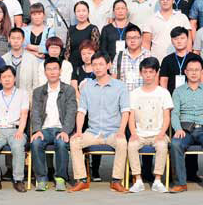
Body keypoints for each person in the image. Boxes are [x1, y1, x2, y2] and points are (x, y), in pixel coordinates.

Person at [68, 54, 131, 193]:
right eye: (94, 65)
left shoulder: (120, 86)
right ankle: (82, 180)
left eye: (101, 64)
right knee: (75, 141)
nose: (97, 67)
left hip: (113, 131)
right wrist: (79, 131)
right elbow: (81, 111)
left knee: (122, 143)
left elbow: (125, 111)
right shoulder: (87, 87)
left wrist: (121, 131)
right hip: (93, 132)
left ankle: (116, 181)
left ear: (108, 65)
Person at [30, 58, 78, 192]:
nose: (52, 72)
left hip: (61, 129)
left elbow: (71, 112)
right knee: (36, 143)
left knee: (61, 143)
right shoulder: (38, 91)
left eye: (55, 69)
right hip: (44, 129)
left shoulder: (68, 90)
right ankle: (41, 179)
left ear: (60, 71)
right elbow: (35, 112)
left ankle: (61, 178)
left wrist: (65, 131)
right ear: (45, 72)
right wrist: (37, 130)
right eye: (49, 69)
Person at [126, 57, 172, 193]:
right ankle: (138, 180)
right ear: (140, 73)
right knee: (131, 145)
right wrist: (133, 133)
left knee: (162, 145)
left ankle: (157, 180)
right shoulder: (134, 93)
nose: (148, 75)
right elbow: (131, 116)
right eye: (145, 72)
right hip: (140, 133)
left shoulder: (163, 93)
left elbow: (167, 117)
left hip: (158, 133)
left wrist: (162, 133)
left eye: (151, 72)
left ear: (156, 73)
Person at [0, 66, 29, 192]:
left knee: (18, 146)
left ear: (14, 78)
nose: (7, 79)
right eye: (4, 77)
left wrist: (20, 131)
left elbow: (24, 114)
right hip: (0, 130)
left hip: (16, 129)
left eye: (9, 76)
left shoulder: (23, 94)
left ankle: (18, 180)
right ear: (0, 80)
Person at [170, 58, 203, 193]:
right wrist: (177, 129)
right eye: (191, 70)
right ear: (185, 72)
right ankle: (180, 183)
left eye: (197, 70)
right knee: (175, 144)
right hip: (185, 129)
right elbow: (174, 113)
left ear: (201, 72)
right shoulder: (178, 91)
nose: (194, 73)